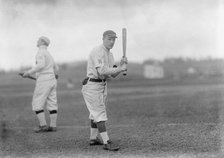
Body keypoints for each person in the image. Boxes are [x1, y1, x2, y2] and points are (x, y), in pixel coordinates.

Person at [81, 30, 127, 151]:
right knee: (99, 113)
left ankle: (93, 138)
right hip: (92, 85)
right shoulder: (97, 51)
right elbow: (102, 71)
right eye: (109, 39)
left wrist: (121, 66)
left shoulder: (110, 54)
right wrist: (120, 68)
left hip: (102, 85)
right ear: (103, 38)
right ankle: (107, 142)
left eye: (113, 40)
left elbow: (112, 74)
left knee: (95, 113)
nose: (112, 42)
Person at [22, 36, 59, 133]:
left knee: (37, 103)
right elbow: (56, 68)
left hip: (44, 80)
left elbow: (41, 65)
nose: (37, 41)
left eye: (38, 40)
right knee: (52, 103)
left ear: (42, 42)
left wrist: (28, 72)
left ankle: (43, 126)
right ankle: (53, 126)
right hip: (52, 79)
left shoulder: (40, 52)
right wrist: (51, 76)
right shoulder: (48, 53)